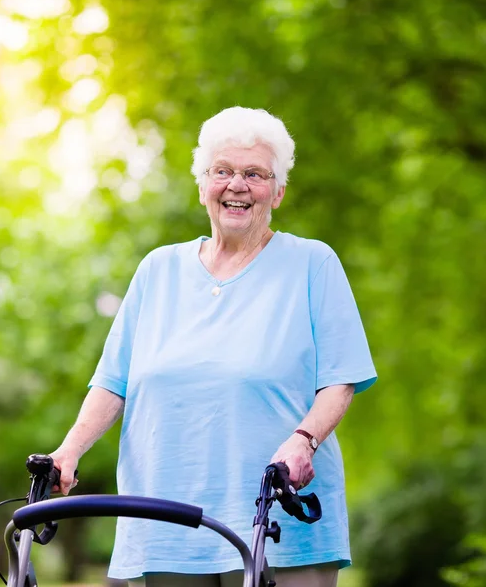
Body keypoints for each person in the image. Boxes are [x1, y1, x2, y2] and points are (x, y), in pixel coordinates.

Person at [50, 106, 377, 587]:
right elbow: (112, 383)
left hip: (279, 518)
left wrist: (303, 440)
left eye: (255, 174)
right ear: (202, 184)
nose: (237, 185)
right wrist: (69, 450)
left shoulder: (312, 264)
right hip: (167, 518)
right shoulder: (158, 271)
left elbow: (339, 380)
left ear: (279, 191)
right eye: (222, 171)